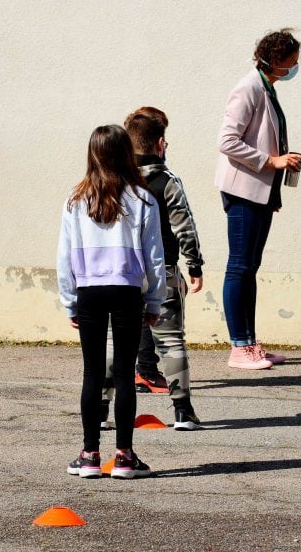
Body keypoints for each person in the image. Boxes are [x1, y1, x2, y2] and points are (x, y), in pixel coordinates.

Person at [57, 124, 166, 478]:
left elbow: (65, 256)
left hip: (89, 290)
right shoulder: (143, 198)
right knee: (123, 373)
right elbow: (154, 256)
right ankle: (124, 456)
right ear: (126, 153)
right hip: (126, 290)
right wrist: (154, 300)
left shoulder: (76, 199)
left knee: (92, 372)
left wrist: (69, 299)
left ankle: (89, 455)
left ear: (92, 154)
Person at [101, 106, 205, 431]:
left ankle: (102, 409)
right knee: (171, 339)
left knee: (114, 341)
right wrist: (195, 264)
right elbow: (183, 225)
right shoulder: (168, 181)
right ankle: (182, 410)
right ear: (160, 144)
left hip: (121, 273)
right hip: (163, 269)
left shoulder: (114, 181)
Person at [214, 28, 301, 370]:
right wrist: (272, 161)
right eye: (292, 61)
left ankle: (249, 342)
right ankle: (239, 347)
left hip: (260, 192)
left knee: (249, 266)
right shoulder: (248, 88)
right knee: (239, 266)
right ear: (277, 60)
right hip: (242, 191)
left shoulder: (266, 87)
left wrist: (275, 186)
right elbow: (227, 141)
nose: (295, 67)